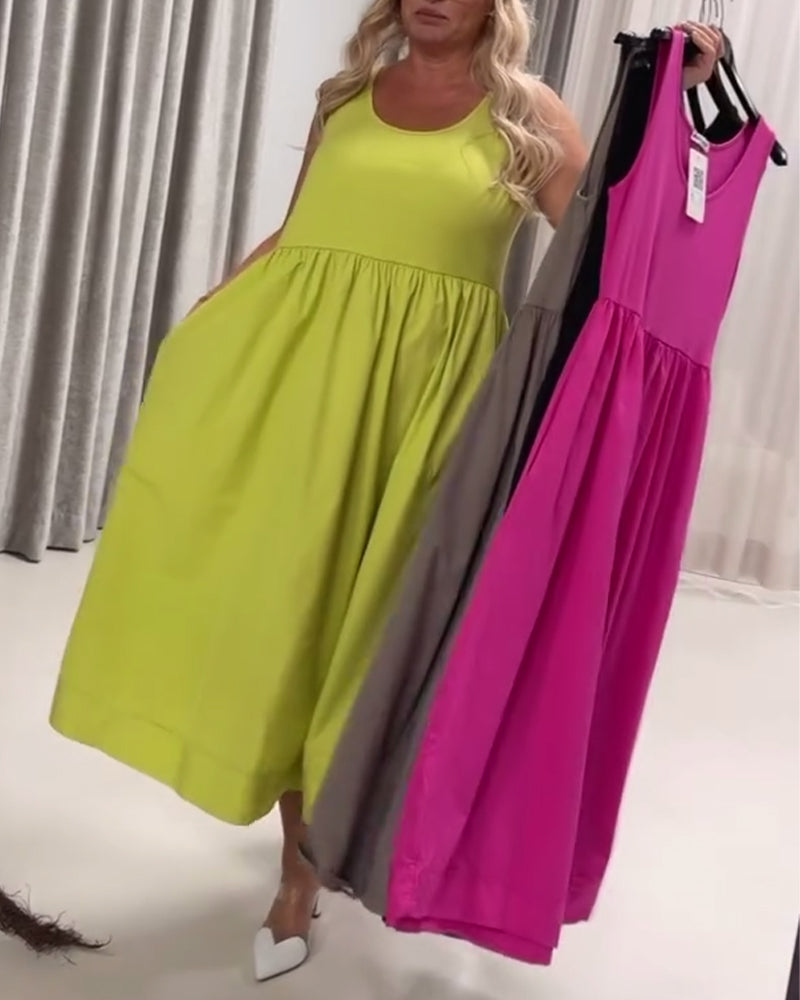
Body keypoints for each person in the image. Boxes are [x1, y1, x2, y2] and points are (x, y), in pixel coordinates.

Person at [49, 0, 722, 981]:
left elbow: (610, 252)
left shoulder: (527, 116)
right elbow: (294, 236)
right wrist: (206, 321)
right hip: (292, 383)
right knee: (289, 622)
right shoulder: (347, 98)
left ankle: (332, 850)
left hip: (429, 408)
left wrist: (674, 104)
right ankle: (296, 876)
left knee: (367, 638)